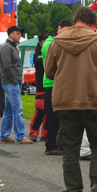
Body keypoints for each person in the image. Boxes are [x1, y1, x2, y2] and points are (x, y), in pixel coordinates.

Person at [44, 7, 97, 192]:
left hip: (65, 100)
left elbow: (49, 72)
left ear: (75, 19)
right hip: (94, 99)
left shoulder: (57, 41)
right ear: (93, 23)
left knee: (69, 148)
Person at [42, 19, 73, 155]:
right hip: (51, 83)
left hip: (59, 83)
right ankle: (50, 145)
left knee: (61, 117)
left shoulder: (55, 43)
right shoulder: (50, 44)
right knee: (53, 116)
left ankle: (58, 143)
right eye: (64, 31)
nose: (66, 34)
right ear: (58, 29)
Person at [0, 26, 32, 144]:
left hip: (12, 82)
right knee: (18, 109)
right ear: (10, 35)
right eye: (17, 33)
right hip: (10, 82)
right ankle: (20, 136)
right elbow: (7, 67)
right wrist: (14, 80)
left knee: (8, 111)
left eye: (19, 33)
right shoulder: (6, 48)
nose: (19, 36)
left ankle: (4, 136)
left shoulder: (12, 47)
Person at [29, 34, 49, 142]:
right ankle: (33, 132)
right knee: (40, 110)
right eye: (43, 41)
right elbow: (41, 63)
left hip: (49, 85)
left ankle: (45, 134)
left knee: (49, 111)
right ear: (40, 43)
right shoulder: (38, 54)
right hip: (41, 86)